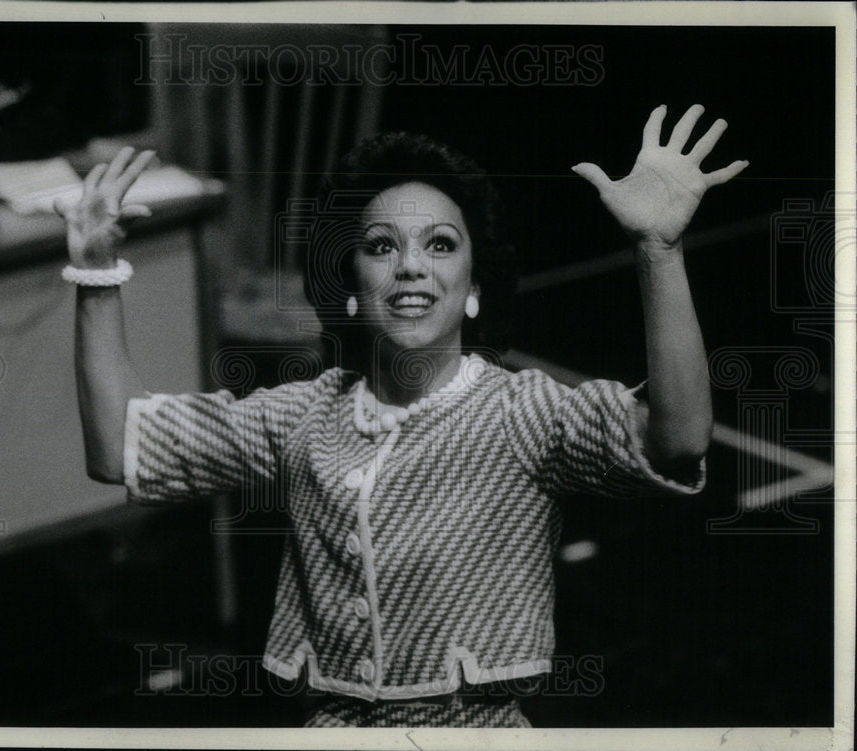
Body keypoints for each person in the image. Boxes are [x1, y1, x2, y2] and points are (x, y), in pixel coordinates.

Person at [55, 104, 747, 727]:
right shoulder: (303, 414)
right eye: (382, 246)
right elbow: (120, 447)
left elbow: (678, 438)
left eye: (440, 245)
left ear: (474, 291)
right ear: (352, 288)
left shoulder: (521, 412)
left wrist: (659, 251)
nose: (412, 266)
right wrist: (94, 271)